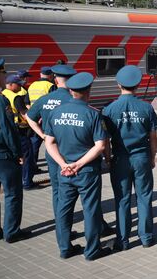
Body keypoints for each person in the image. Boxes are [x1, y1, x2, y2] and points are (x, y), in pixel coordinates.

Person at [44, 72, 111, 260]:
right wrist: (79, 164)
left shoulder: (55, 112)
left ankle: (65, 249)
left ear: (71, 91)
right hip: (87, 172)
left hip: (64, 172)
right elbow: (101, 146)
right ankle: (92, 251)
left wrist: (64, 164)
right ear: (88, 91)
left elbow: (49, 142)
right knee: (90, 210)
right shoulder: (93, 114)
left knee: (63, 210)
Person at [103, 65, 157, 251]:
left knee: (122, 199)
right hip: (141, 157)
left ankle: (123, 240)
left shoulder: (109, 109)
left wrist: (108, 159)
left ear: (118, 84)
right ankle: (146, 237)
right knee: (144, 197)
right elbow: (153, 137)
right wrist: (152, 158)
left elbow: (105, 140)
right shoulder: (146, 107)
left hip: (120, 158)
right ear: (137, 85)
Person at [26, 64, 78, 244]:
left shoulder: (45, 99)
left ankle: (62, 232)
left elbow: (29, 118)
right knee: (77, 192)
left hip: (51, 152)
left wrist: (42, 135)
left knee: (57, 192)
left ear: (55, 79)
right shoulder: (72, 99)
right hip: (71, 153)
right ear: (72, 80)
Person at [0, 58, 31, 243]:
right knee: (12, 194)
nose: (4, 76)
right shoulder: (0, 100)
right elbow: (7, 129)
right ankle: (12, 232)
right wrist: (18, 153)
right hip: (3, 155)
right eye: (2, 73)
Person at [2, 75, 37, 190]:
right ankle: (27, 182)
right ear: (11, 85)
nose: (21, 85)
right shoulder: (15, 97)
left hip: (9, 130)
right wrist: (36, 119)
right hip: (21, 131)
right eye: (18, 84)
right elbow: (24, 114)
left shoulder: (3, 94)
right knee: (27, 156)